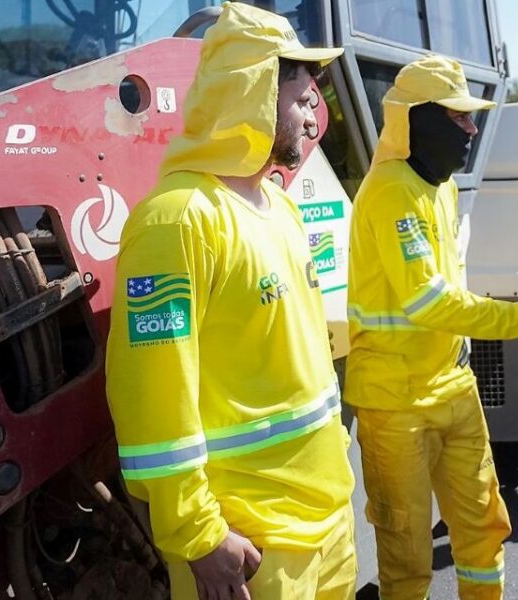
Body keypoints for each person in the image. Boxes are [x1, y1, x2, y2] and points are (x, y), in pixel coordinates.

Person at [105, 4, 353, 600]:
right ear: (253, 95)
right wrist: (198, 536)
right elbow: (153, 399)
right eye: (300, 101)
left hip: (329, 521)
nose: (313, 119)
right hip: (248, 546)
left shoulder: (281, 205)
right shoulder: (178, 220)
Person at [344, 54, 518, 600]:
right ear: (418, 119)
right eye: (458, 117)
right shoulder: (390, 191)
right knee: (406, 555)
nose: (473, 129)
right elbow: (429, 301)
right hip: (395, 401)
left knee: (483, 530)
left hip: (454, 387)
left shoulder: (441, 189)